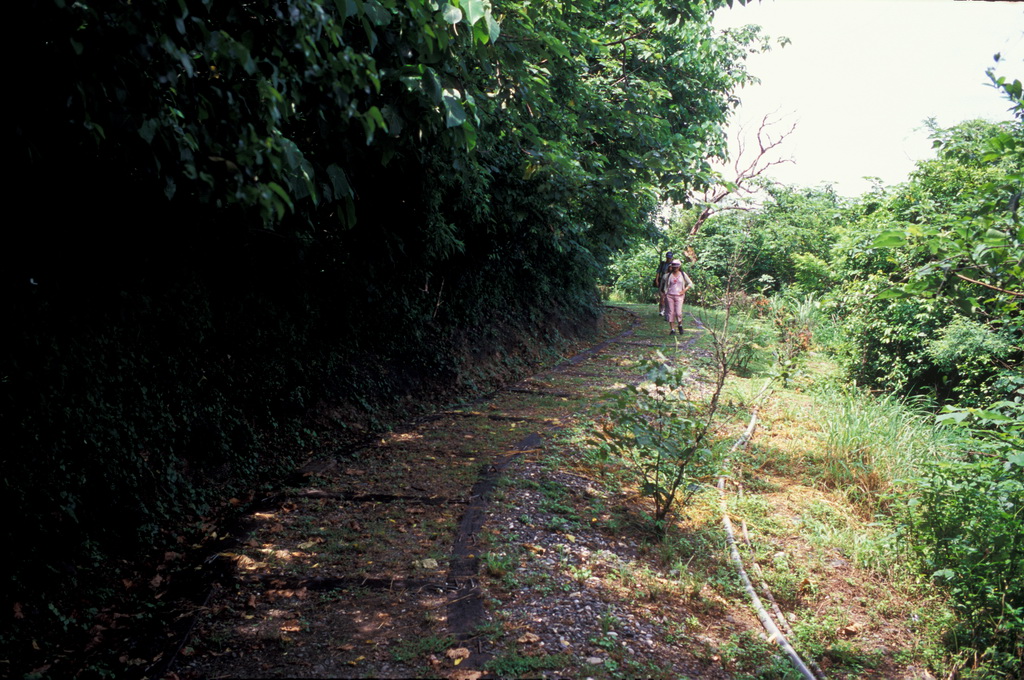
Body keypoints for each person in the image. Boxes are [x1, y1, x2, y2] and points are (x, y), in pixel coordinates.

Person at [660, 259, 693, 335]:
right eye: (674, 266)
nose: (675, 268)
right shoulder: (667, 275)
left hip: (679, 296)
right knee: (671, 312)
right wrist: (663, 294)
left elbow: (690, 283)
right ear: (671, 267)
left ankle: (680, 325)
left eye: (677, 266)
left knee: (678, 312)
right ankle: (672, 329)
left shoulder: (683, 274)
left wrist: (684, 290)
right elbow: (663, 285)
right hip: (670, 295)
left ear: (679, 266)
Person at [653, 251, 674, 317]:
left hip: (670, 281)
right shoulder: (663, 264)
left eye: (670, 258)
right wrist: (657, 280)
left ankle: (667, 310)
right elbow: (658, 272)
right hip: (662, 281)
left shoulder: (673, 264)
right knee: (662, 296)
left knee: (668, 297)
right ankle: (661, 310)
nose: (669, 259)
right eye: (668, 258)